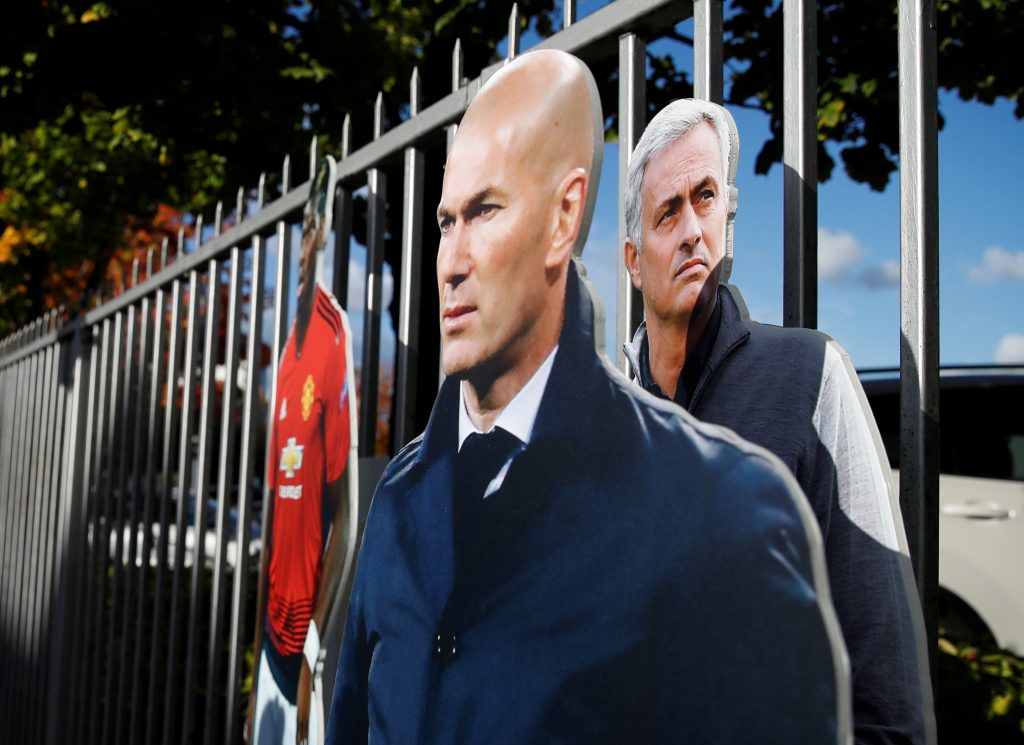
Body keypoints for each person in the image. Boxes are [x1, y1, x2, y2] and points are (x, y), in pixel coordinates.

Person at [326, 50, 849, 743]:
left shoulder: (730, 505)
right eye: (447, 222)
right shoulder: (397, 498)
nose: (450, 262)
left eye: (485, 210)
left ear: (563, 217)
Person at [622, 98, 934, 744]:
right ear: (632, 260)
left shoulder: (810, 376)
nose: (692, 231)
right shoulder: (603, 420)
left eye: (706, 198)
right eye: (668, 211)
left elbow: (888, 699)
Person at [248, 158, 358, 745]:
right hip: (271, 637)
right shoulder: (287, 350)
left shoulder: (332, 334)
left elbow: (344, 512)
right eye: (301, 227)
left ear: (325, 233)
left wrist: (315, 644)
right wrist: (256, 673)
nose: (302, 243)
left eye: (314, 225)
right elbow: (273, 515)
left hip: (306, 641)